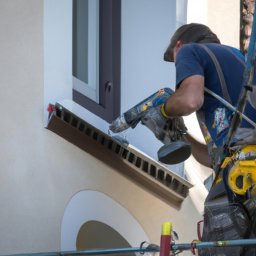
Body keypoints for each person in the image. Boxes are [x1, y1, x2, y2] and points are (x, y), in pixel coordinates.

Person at [161, 23, 256, 255]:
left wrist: (164, 110)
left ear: (179, 47)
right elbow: (215, 158)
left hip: (239, 178)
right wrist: (180, 133)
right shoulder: (240, 60)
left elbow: (190, 100)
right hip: (242, 169)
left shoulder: (189, 51)